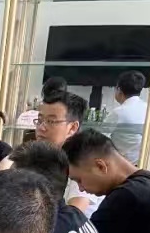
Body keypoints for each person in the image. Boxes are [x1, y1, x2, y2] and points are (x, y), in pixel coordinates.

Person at [27, 89, 102, 217]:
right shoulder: (42, 156)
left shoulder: (82, 161)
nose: (41, 127)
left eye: (51, 121)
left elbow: (73, 214)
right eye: (39, 120)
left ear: (72, 128)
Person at [102, 70, 148, 165]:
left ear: (119, 89)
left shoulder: (118, 113)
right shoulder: (148, 109)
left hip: (123, 164)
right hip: (143, 162)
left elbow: (100, 138)